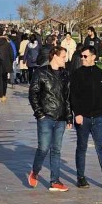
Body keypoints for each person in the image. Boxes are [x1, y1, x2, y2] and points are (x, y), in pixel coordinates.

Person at [70, 46, 102, 190]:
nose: (82, 59)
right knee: (82, 147)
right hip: (83, 117)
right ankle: (81, 177)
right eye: (81, 56)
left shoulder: (100, 74)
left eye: (85, 56)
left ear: (93, 57)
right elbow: (73, 95)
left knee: (101, 147)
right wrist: (77, 113)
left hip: (98, 117)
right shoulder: (77, 74)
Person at [27, 46, 71, 192]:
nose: (65, 59)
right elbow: (33, 94)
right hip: (46, 116)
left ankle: (55, 181)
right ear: (55, 56)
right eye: (63, 56)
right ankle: (35, 171)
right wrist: (39, 113)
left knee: (56, 149)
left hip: (61, 117)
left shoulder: (65, 74)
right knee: (43, 148)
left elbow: (67, 97)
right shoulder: (41, 72)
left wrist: (69, 117)